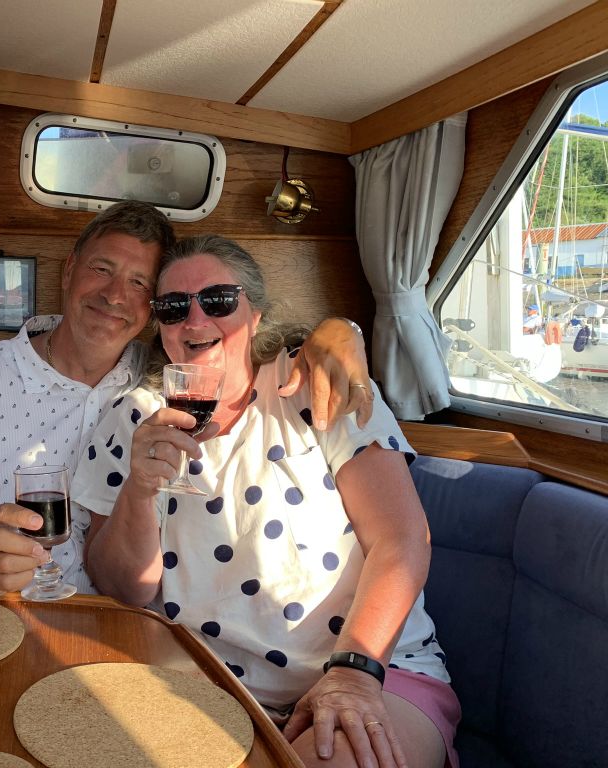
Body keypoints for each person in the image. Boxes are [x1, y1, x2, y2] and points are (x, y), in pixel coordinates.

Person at [73, 234, 460, 768]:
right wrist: (139, 491)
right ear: (160, 326)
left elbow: (402, 539)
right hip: (203, 688)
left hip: (372, 672)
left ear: (254, 316)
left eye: (218, 301)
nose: (195, 319)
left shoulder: (315, 384)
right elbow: (124, 589)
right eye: (173, 307)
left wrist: (353, 675)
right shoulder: (133, 419)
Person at [0, 204, 373, 600]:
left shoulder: (168, 376)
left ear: (154, 311)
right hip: (2, 610)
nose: (115, 295)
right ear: (69, 271)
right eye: (102, 269)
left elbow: (241, 343)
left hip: (126, 627)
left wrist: (337, 331)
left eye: (140, 284)